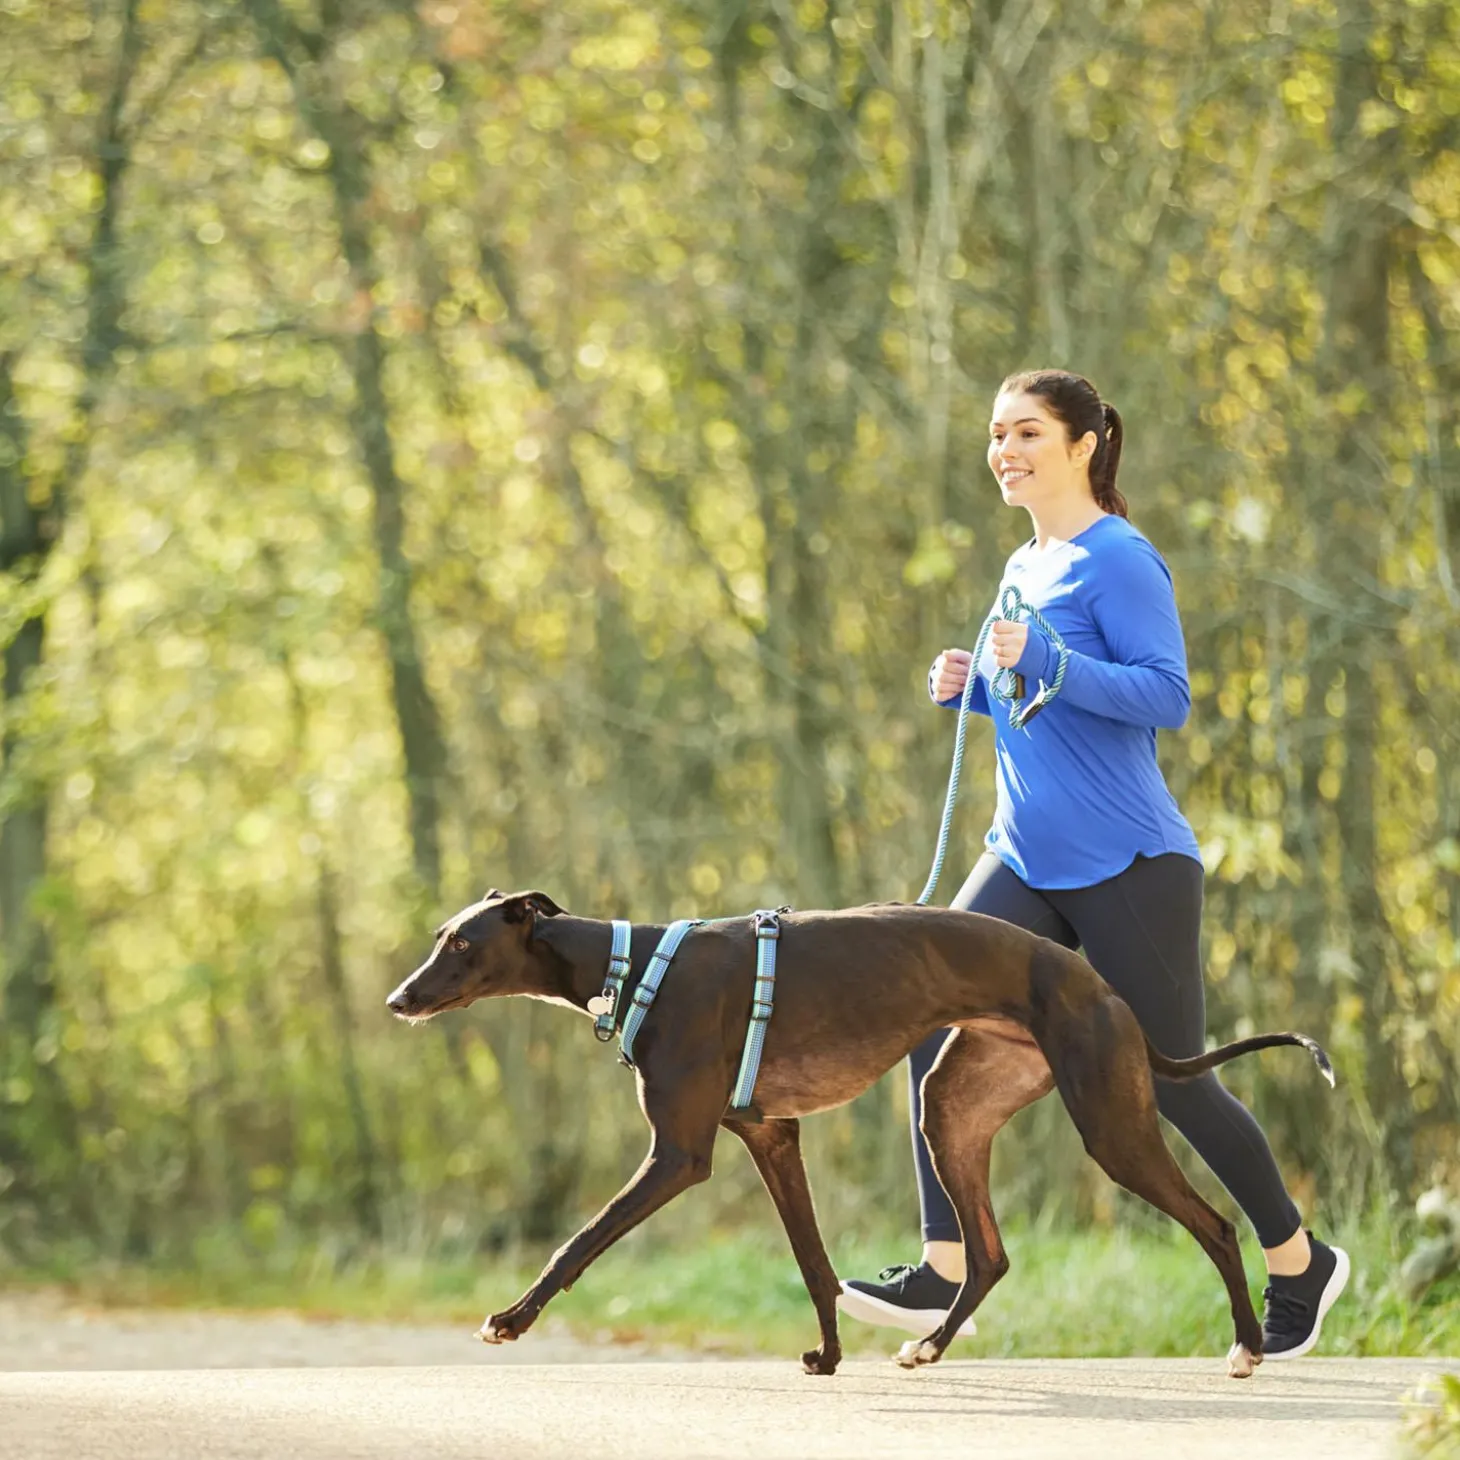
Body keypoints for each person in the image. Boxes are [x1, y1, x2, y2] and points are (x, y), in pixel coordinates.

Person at [837, 369, 1349, 1361]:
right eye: (994, 434)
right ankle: (946, 1265)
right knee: (916, 1015)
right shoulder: (1020, 562)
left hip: (1127, 863)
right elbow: (1044, 710)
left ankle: (1295, 1259)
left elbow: (1164, 697)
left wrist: (1044, 660)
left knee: (1169, 1076)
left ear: (1083, 442)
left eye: (1025, 431)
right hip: (1022, 856)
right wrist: (969, 691)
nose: (1004, 449)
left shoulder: (1119, 559)